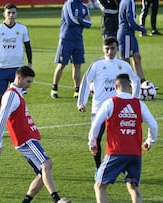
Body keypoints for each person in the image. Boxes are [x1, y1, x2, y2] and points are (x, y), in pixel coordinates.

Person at [0, 66, 70, 203]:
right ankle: (57, 200)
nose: (30, 86)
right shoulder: (11, 95)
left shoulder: (18, 93)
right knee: (47, 164)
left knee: (42, 174)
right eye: (28, 82)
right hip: (24, 140)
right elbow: (2, 118)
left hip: (28, 138)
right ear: (19, 78)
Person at [88, 73, 158, 203]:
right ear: (130, 87)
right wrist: (150, 141)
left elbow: (96, 125)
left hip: (116, 152)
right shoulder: (139, 104)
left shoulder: (110, 103)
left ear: (116, 86)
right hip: (135, 153)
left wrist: (92, 143)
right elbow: (153, 125)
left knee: (99, 186)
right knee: (133, 187)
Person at [77, 37, 141, 170]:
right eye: (107, 48)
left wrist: (135, 99)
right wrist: (81, 102)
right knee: (95, 139)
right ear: (103, 48)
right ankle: (98, 167)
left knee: (120, 140)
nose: (109, 51)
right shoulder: (97, 65)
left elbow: (136, 80)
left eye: (112, 48)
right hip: (98, 109)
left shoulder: (124, 65)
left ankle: (121, 167)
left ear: (117, 48)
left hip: (117, 110)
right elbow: (85, 82)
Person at [0, 3, 32, 138]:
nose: (11, 15)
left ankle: (20, 127)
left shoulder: (22, 29)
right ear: (4, 14)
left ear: (16, 14)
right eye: (8, 13)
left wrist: (29, 64)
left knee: (19, 100)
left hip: (18, 69)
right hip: (0, 68)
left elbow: (28, 46)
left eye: (13, 13)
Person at [51, 0, 91, 99]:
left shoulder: (84, 7)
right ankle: (54, 88)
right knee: (61, 64)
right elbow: (71, 20)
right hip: (66, 39)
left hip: (78, 39)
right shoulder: (68, 4)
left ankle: (77, 90)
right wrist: (82, 21)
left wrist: (80, 19)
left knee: (77, 65)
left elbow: (89, 23)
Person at [117, 0, 147, 83]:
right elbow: (131, 22)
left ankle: (142, 81)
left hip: (130, 34)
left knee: (137, 57)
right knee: (125, 59)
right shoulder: (129, 2)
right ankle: (128, 82)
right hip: (126, 34)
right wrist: (142, 29)